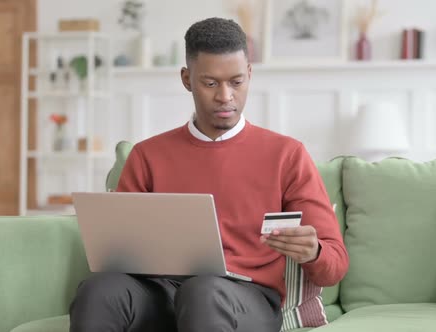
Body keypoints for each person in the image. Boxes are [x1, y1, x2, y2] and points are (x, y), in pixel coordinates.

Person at [69, 17, 349, 332]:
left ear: (250, 75)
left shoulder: (287, 154)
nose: (225, 96)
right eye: (211, 83)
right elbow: (116, 253)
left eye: (236, 81)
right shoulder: (147, 155)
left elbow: (334, 267)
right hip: (161, 293)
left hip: (245, 298)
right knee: (99, 291)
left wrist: (314, 252)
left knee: (203, 290)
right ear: (187, 79)